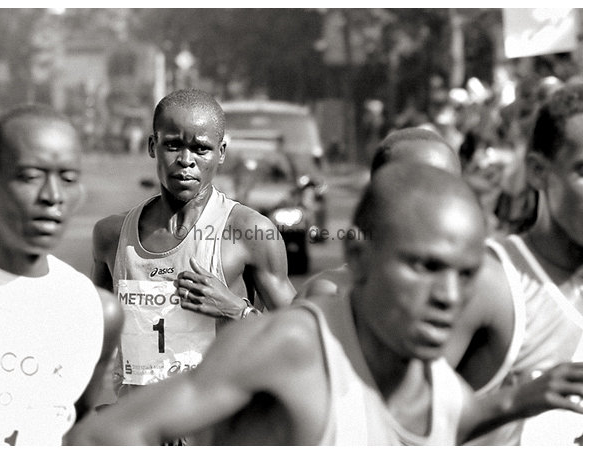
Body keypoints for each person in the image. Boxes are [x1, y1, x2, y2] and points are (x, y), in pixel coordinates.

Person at [66, 163, 582, 446]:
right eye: (422, 266)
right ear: (359, 255)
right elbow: (104, 436)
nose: (448, 295)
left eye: (466, 274)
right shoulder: (297, 345)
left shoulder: (429, 373)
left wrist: (527, 398)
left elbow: (453, 421)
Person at [91, 89, 295, 395]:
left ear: (222, 152)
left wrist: (236, 311)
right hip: (138, 433)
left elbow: (304, 340)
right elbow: (97, 341)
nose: (186, 161)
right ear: (152, 146)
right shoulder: (112, 236)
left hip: (216, 434)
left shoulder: (249, 232)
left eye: (201, 149)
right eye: (173, 145)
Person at [0, 104, 123, 446]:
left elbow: (71, 427)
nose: (52, 197)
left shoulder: (95, 312)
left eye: (68, 178)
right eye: (31, 176)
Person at [444, 82, 583, 445]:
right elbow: (399, 423)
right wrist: (515, 402)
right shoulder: (491, 283)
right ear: (538, 172)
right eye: (584, 170)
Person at [298, 126, 461, 299]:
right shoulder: (329, 296)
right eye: (413, 187)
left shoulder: (485, 293)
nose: (434, 202)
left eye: (447, 187)